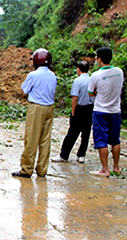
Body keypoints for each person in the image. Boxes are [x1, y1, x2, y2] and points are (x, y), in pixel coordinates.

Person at [12, 48, 57, 178]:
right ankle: (42, 169)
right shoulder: (53, 75)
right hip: (49, 107)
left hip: (36, 108)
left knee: (31, 138)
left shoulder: (33, 75)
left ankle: (26, 169)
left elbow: (23, 90)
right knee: (45, 139)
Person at [87, 47, 124, 177]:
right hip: (115, 110)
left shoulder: (96, 75)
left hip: (101, 111)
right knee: (115, 140)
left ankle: (104, 169)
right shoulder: (119, 72)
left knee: (101, 140)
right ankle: (116, 167)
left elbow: (90, 93)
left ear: (99, 59)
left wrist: (98, 93)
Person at [51, 61, 94, 163]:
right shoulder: (92, 80)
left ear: (78, 69)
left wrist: (73, 111)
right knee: (86, 133)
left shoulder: (78, 81)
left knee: (72, 132)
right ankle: (81, 155)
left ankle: (64, 155)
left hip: (79, 108)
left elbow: (75, 98)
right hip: (90, 108)